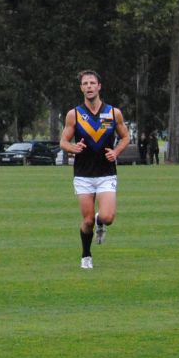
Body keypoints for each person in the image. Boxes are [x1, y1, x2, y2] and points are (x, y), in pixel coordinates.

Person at [59, 70, 131, 270]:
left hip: (106, 173)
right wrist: (72, 148)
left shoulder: (112, 113)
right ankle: (86, 255)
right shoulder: (74, 114)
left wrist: (116, 152)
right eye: (85, 83)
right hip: (83, 175)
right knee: (88, 220)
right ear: (81, 88)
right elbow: (63, 141)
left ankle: (101, 224)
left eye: (92, 83)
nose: (89, 86)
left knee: (107, 217)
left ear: (99, 86)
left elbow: (125, 137)